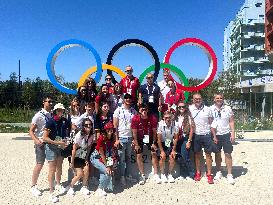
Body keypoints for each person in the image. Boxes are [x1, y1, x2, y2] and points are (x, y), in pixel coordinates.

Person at [42, 103, 70, 203]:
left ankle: (58, 184)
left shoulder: (65, 121)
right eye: (58, 110)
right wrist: (57, 142)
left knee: (59, 167)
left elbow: (67, 132)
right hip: (51, 147)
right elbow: (45, 137)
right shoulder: (50, 122)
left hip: (61, 147)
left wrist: (66, 141)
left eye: (61, 110)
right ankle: (51, 192)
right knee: (52, 170)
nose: (60, 112)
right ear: (55, 111)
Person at [29, 95, 53, 197]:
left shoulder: (51, 114)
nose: (51, 103)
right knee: (39, 164)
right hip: (41, 143)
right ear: (44, 102)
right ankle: (33, 186)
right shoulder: (38, 115)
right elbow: (31, 131)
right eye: (49, 101)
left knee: (52, 164)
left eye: (52, 102)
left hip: (49, 143)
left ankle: (53, 184)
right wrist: (36, 140)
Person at [131, 103, 160, 184]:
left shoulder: (152, 118)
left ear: (147, 110)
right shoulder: (135, 118)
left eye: (145, 109)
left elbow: (154, 132)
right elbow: (134, 133)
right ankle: (142, 175)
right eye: (142, 109)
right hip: (139, 138)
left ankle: (156, 174)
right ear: (139, 110)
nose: (144, 111)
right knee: (138, 154)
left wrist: (154, 143)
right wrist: (136, 144)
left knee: (154, 152)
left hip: (150, 137)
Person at [189, 93, 215, 184]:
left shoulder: (208, 109)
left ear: (202, 99)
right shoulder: (190, 108)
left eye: (199, 98)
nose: (198, 100)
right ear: (193, 100)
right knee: (197, 155)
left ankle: (209, 174)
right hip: (196, 135)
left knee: (208, 155)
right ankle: (198, 172)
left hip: (206, 134)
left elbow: (211, 123)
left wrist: (214, 136)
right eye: (196, 99)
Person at [210, 93, 235, 184]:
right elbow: (210, 123)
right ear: (214, 99)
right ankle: (219, 171)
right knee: (217, 154)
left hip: (226, 134)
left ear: (223, 99)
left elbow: (231, 121)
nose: (219, 99)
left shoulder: (228, 108)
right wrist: (213, 135)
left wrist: (232, 134)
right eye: (217, 98)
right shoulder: (211, 109)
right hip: (216, 135)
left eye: (221, 98)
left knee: (228, 154)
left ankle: (229, 174)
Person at [113, 93, 137, 186]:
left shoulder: (133, 111)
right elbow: (115, 126)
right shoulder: (118, 110)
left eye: (129, 98)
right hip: (121, 138)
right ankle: (122, 176)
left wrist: (135, 139)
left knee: (128, 158)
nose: (128, 99)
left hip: (130, 137)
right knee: (121, 159)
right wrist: (116, 139)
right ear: (123, 99)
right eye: (126, 98)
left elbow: (136, 124)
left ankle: (128, 175)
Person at [66, 118, 95, 196]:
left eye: (90, 124)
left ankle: (84, 186)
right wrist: (72, 162)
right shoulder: (80, 135)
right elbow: (74, 149)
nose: (88, 126)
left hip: (82, 156)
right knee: (79, 173)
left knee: (86, 169)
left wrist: (86, 158)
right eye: (86, 125)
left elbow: (89, 148)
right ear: (83, 126)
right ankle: (70, 186)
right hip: (74, 156)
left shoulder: (91, 135)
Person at [90, 122, 117, 197]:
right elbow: (101, 153)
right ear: (105, 130)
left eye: (111, 129)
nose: (110, 130)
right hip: (96, 157)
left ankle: (105, 187)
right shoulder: (101, 138)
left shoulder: (112, 138)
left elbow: (111, 152)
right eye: (108, 129)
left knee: (109, 170)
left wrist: (110, 165)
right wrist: (107, 166)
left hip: (106, 156)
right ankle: (100, 189)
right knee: (106, 170)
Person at [174, 101, 195, 179]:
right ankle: (183, 174)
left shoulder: (188, 117)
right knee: (179, 157)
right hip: (178, 139)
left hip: (185, 138)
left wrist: (189, 141)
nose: (181, 108)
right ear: (177, 108)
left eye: (183, 107)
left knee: (185, 156)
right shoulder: (175, 117)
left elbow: (192, 129)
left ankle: (191, 173)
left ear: (185, 108)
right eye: (179, 107)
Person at [157, 111, 179, 183]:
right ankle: (163, 174)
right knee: (162, 157)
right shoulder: (160, 125)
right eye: (166, 118)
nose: (168, 119)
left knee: (172, 157)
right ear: (163, 118)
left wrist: (173, 150)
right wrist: (162, 151)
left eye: (169, 118)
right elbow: (159, 139)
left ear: (172, 118)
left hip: (170, 142)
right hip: (162, 143)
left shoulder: (175, 125)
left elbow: (175, 138)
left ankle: (169, 174)